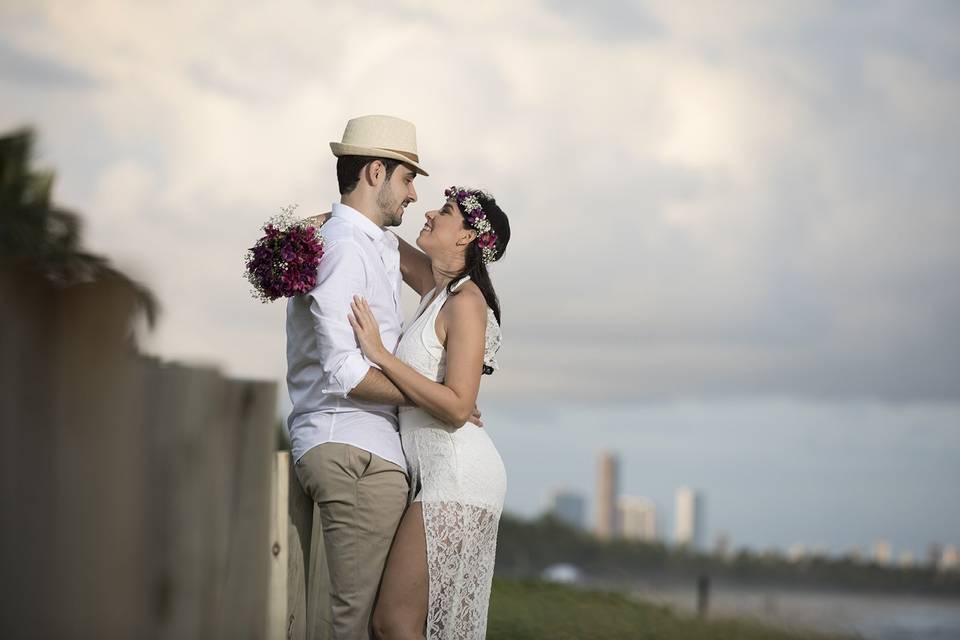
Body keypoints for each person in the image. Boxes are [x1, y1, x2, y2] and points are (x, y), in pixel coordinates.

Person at [286, 114, 429, 639]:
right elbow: (346, 369)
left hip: (362, 453)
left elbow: (445, 279)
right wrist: (431, 401)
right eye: (408, 178)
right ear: (375, 172)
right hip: (353, 450)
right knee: (351, 628)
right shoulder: (345, 246)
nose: (413, 195)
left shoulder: (369, 241)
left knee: (370, 623)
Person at [348, 186, 510, 640]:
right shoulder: (435, 289)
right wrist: (321, 223)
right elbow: (378, 237)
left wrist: (381, 354)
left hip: (460, 475)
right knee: (413, 625)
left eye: (446, 212)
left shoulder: (467, 302)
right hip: (440, 476)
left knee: (394, 622)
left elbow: (458, 407)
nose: (430, 213)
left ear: (465, 238)